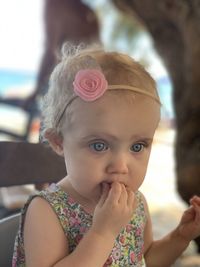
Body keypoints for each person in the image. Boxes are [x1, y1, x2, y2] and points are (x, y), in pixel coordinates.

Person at [13, 43, 200, 267]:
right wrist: (103, 233)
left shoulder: (135, 203)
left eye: (138, 146)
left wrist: (180, 236)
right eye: (99, 145)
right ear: (58, 141)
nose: (121, 166)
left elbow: (145, 261)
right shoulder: (47, 211)